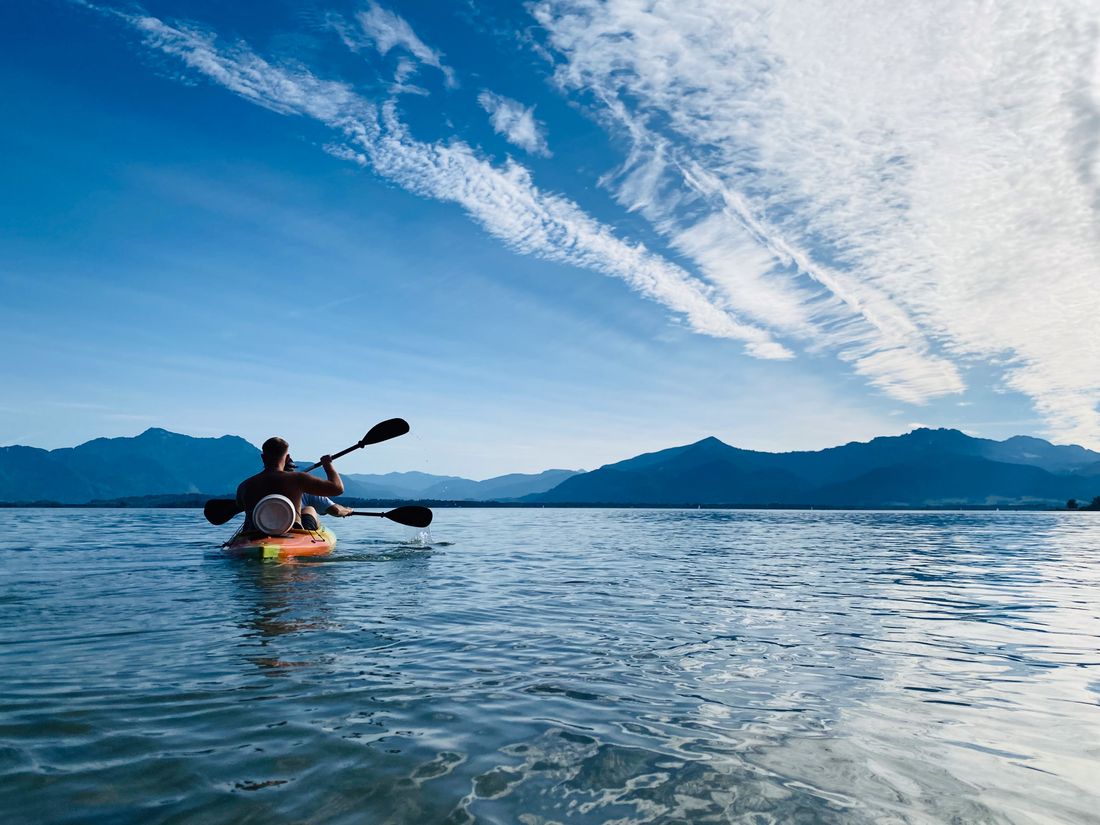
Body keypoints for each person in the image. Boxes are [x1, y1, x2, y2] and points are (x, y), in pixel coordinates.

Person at [236, 437, 343, 531]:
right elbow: (337, 489)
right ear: (287, 458)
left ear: (263, 457)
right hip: (291, 533)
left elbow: (240, 505)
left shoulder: (244, 486)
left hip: (252, 535)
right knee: (309, 509)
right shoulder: (298, 478)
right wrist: (327, 465)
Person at [284, 455, 353, 520]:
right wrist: (348, 510)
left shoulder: (274, 481)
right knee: (310, 510)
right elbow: (336, 510)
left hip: (276, 527)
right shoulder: (305, 486)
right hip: (299, 528)